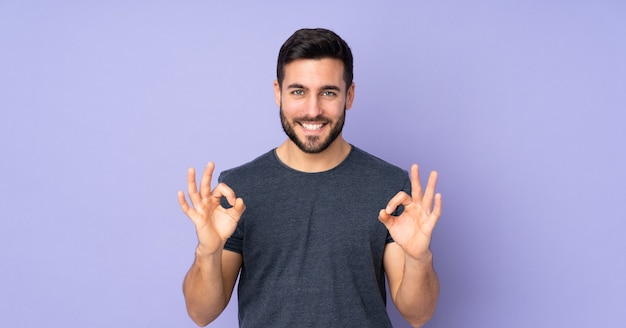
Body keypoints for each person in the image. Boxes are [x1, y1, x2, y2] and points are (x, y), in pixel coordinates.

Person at [177, 28, 442, 328]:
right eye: (298, 91)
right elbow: (201, 313)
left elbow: (418, 314)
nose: (313, 110)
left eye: (328, 92)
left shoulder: (389, 187)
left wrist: (420, 259)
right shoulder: (238, 190)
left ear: (349, 95)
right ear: (278, 92)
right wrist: (207, 252)